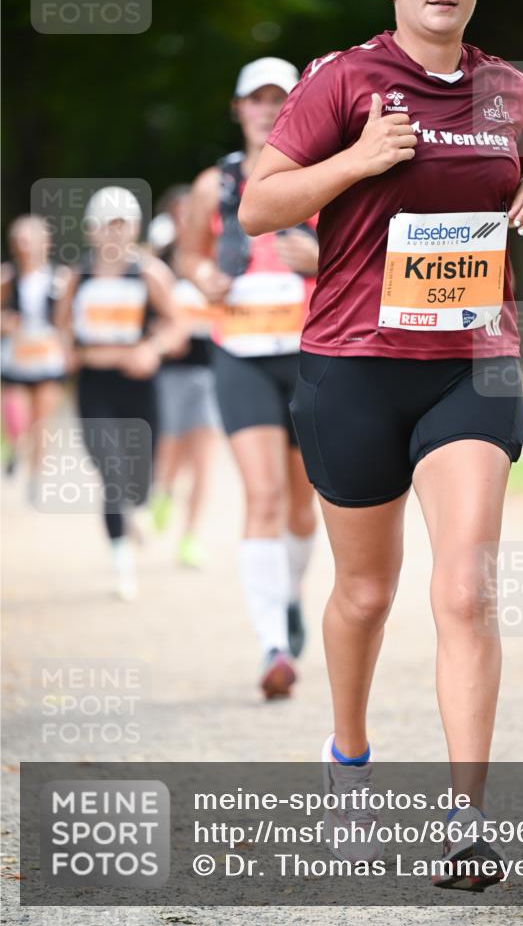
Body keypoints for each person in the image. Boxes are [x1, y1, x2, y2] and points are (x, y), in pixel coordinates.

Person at [239, 0, 523, 886]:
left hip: (473, 362)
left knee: (464, 590)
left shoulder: (508, 90)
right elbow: (261, 206)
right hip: (353, 367)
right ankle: (347, 757)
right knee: (366, 594)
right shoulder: (341, 82)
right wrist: (358, 160)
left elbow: (515, 178)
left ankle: (466, 823)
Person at [182, 58, 320, 700]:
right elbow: (187, 253)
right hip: (238, 352)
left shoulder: (323, 175)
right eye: (256, 100)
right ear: (238, 108)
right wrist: (200, 275)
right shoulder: (214, 186)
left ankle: (287, 598)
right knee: (262, 496)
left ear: (296, 106)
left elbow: (367, 254)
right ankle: (272, 644)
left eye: (279, 99)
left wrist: (321, 258)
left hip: (310, 353)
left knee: (302, 504)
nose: (267, 109)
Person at [55, 187, 180, 600]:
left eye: (121, 225)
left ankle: (136, 510)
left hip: (139, 386)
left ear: (133, 229)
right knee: (111, 472)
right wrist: (69, 351)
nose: (114, 235)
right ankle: (122, 564)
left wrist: (152, 348)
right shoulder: (77, 277)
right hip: (95, 386)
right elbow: (62, 330)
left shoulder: (149, 274)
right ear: (92, 232)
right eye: (106, 226)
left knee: (138, 483)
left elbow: (176, 327)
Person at [148, 185, 222, 568]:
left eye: (190, 212)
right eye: (178, 213)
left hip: (213, 369)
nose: (185, 219)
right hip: (173, 372)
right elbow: (143, 315)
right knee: (171, 451)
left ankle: (190, 538)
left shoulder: (220, 256)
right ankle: (161, 494)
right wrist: (162, 334)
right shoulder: (157, 265)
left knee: (204, 459)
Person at [1, 215, 68, 493]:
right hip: (16, 356)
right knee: (16, 414)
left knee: (42, 422)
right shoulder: (7, 277)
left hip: (47, 357)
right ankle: (16, 446)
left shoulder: (60, 278)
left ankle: (36, 476)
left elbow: (67, 320)